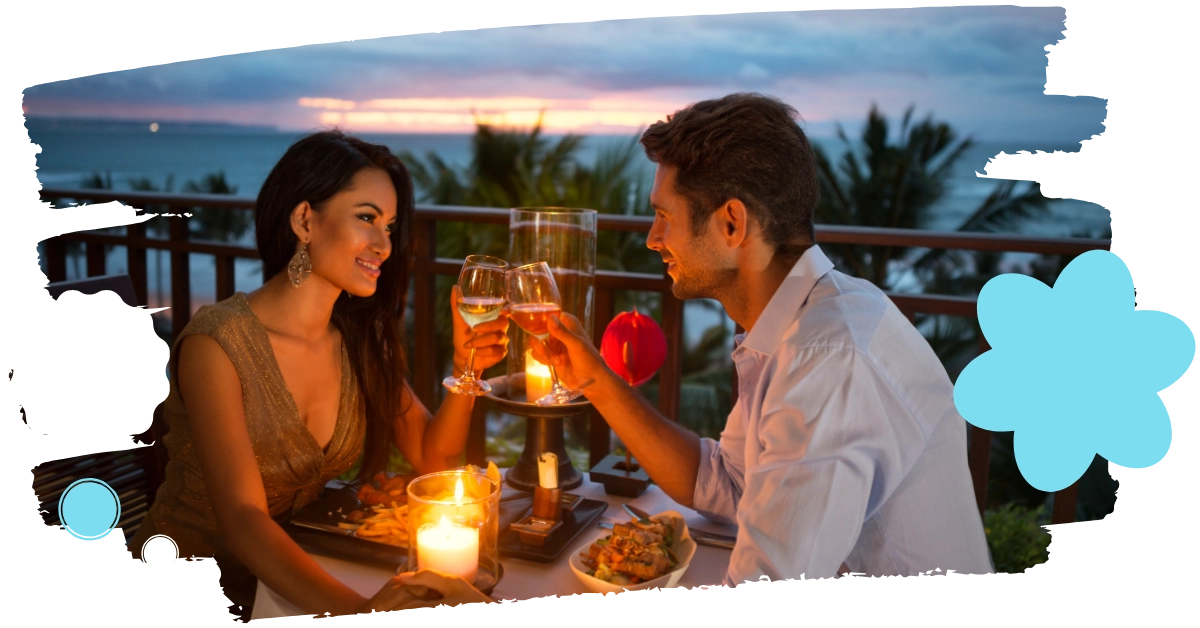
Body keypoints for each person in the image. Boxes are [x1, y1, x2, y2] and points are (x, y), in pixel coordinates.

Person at [532, 93, 996, 583]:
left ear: (732, 223)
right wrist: (595, 380)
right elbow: (726, 483)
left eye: (665, 215)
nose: (652, 238)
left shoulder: (829, 359)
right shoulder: (799, 323)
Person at [127, 130, 503, 619]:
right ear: (305, 220)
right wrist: (359, 611)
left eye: (389, 225)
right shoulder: (216, 345)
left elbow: (433, 455)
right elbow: (243, 519)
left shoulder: (360, 338)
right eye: (366, 218)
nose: (384, 244)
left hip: (289, 582)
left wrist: (465, 365)